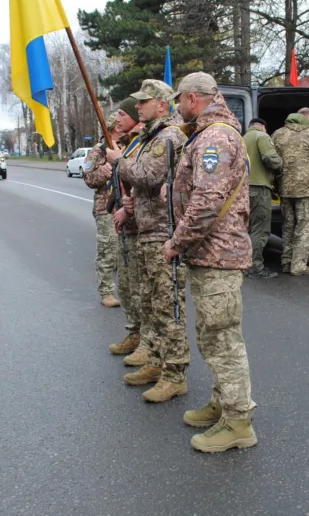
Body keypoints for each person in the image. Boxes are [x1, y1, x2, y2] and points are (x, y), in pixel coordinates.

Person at [166, 72, 257, 453]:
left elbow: (206, 202)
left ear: (192, 98)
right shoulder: (209, 134)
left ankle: (238, 421)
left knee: (222, 338)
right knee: (211, 334)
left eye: (179, 100)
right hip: (211, 253)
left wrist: (176, 242)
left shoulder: (215, 137)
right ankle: (223, 402)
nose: (177, 107)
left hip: (217, 253)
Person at [107, 79, 190, 403]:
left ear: (162, 104)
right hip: (146, 231)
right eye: (137, 102)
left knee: (168, 309)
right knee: (152, 306)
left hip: (163, 233)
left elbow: (148, 175)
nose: (137, 106)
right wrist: (131, 204)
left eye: (144, 102)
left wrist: (119, 162)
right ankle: (156, 362)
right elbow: (144, 184)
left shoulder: (168, 137)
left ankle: (175, 374)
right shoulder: (149, 137)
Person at [108, 97, 148, 361]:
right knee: (125, 284)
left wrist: (119, 160)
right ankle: (135, 332)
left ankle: (147, 340)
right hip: (126, 222)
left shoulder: (144, 142)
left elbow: (144, 178)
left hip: (141, 224)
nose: (118, 118)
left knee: (141, 288)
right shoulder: (129, 142)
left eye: (124, 113)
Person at [271, 108, 309, 276]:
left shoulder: (278, 134)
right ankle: (298, 265)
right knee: (304, 226)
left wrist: (279, 181)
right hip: (304, 189)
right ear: (308, 118)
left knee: (287, 225)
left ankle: (286, 262)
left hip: (284, 188)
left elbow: (273, 160)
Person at [82, 114, 125, 308]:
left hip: (128, 206)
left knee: (126, 251)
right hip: (106, 207)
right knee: (108, 249)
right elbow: (88, 178)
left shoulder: (129, 145)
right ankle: (106, 290)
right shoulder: (98, 151)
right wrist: (104, 171)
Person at [243, 118, 282, 278]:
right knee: (261, 229)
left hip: (244, 188)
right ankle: (255, 267)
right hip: (259, 188)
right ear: (263, 127)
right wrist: (281, 164)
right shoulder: (262, 136)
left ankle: (245, 263)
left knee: (249, 228)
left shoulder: (242, 138)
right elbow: (270, 158)